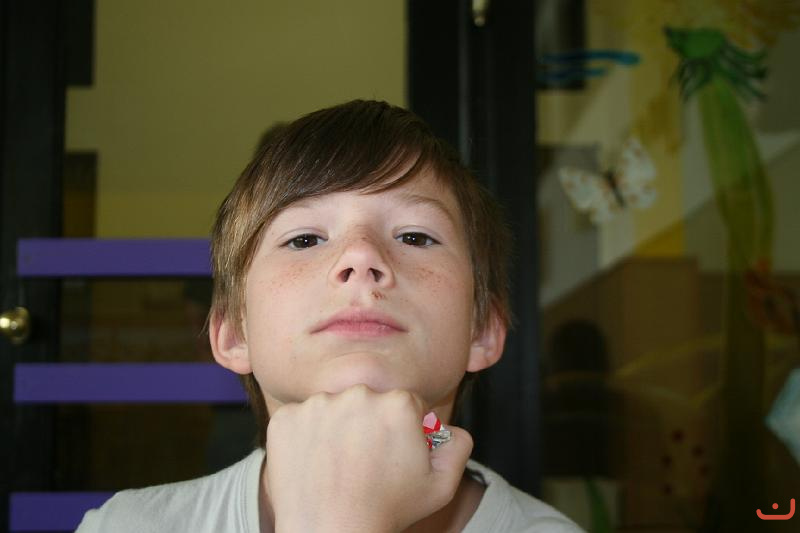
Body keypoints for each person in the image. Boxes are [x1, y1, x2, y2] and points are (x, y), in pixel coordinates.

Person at [76, 100, 584, 532]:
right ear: (232, 332)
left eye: (415, 236)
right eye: (304, 239)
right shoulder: (123, 526)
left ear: (483, 330)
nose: (360, 256)